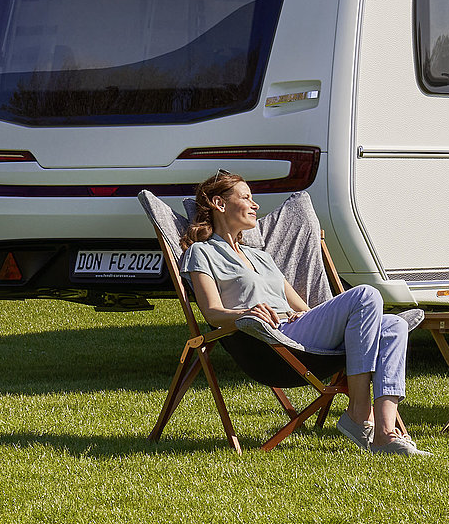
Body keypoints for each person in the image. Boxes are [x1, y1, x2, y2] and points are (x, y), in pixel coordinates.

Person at [181, 172, 429, 456]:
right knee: (366, 294)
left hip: (297, 330)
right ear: (219, 204)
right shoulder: (202, 253)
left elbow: (302, 307)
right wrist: (245, 312)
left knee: (394, 325)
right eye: (246, 197)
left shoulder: (261, 256)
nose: (255, 205)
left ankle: (385, 433)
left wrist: (304, 315)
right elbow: (212, 313)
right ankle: (359, 414)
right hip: (269, 341)